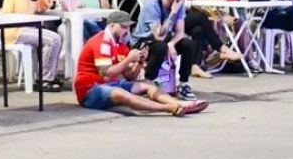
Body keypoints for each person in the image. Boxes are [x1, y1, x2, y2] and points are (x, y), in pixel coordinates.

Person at [74, 10, 207, 116]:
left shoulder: (121, 44)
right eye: (123, 27)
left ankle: (179, 104)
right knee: (121, 93)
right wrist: (129, 60)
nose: (126, 30)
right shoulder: (101, 42)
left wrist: (139, 62)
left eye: (128, 27)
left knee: (147, 85)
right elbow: (106, 73)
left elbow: (129, 76)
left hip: (108, 84)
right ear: (111, 25)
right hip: (89, 89)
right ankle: (168, 108)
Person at [0, 0, 64, 91]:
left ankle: (48, 74)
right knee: (53, 39)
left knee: (55, 37)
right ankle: (45, 79)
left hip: (24, 28)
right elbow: (25, 14)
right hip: (15, 30)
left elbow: (39, 8)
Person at [130, 0, 199, 100]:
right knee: (160, 47)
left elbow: (180, 32)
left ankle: (183, 84)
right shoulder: (153, 4)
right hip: (143, 41)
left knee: (187, 44)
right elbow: (158, 35)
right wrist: (172, 13)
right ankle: (149, 83)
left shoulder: (180, 3)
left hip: (164, 40)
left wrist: (171, 44)